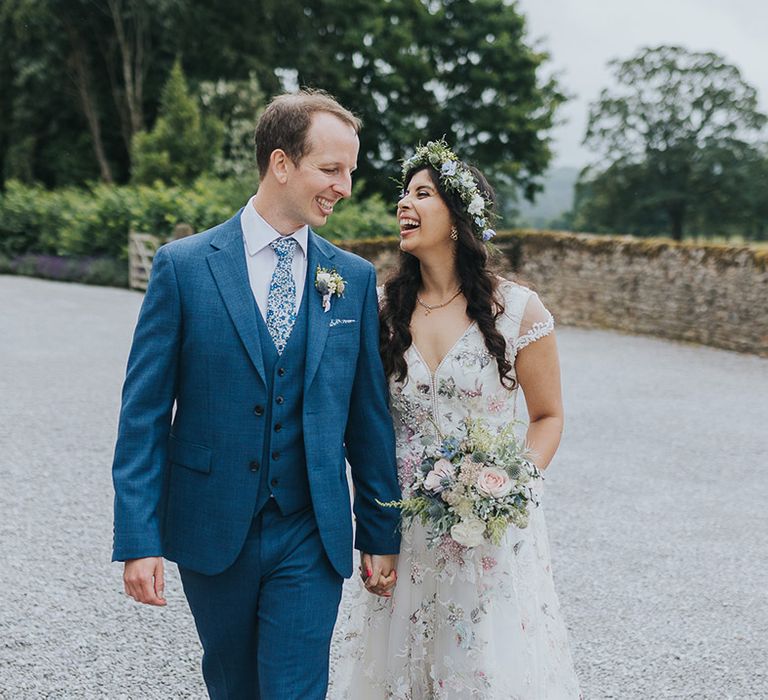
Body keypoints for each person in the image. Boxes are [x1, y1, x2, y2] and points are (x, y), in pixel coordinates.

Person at [111, 90, 401, 699]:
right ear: (280, 164)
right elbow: (143, 414)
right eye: (332, 169)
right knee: (233, 685)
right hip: (213, 528)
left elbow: (367, 416)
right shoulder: (184, 267)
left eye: (350, 171)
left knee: (295, 690)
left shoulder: (350, 278)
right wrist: (139, 539)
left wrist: (380, 530)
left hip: (310, 530)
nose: (345, 186)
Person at [331, 140, 581, 698]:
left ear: (458, 216)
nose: (403, 204)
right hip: (403, 524)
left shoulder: (519, 311)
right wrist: (374, 532)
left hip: (487, 529)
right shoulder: (379, 310)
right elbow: (366, 427)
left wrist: (512, 485)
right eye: (403, 194)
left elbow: (547, 416)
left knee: (481, 665)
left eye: (422, 193)